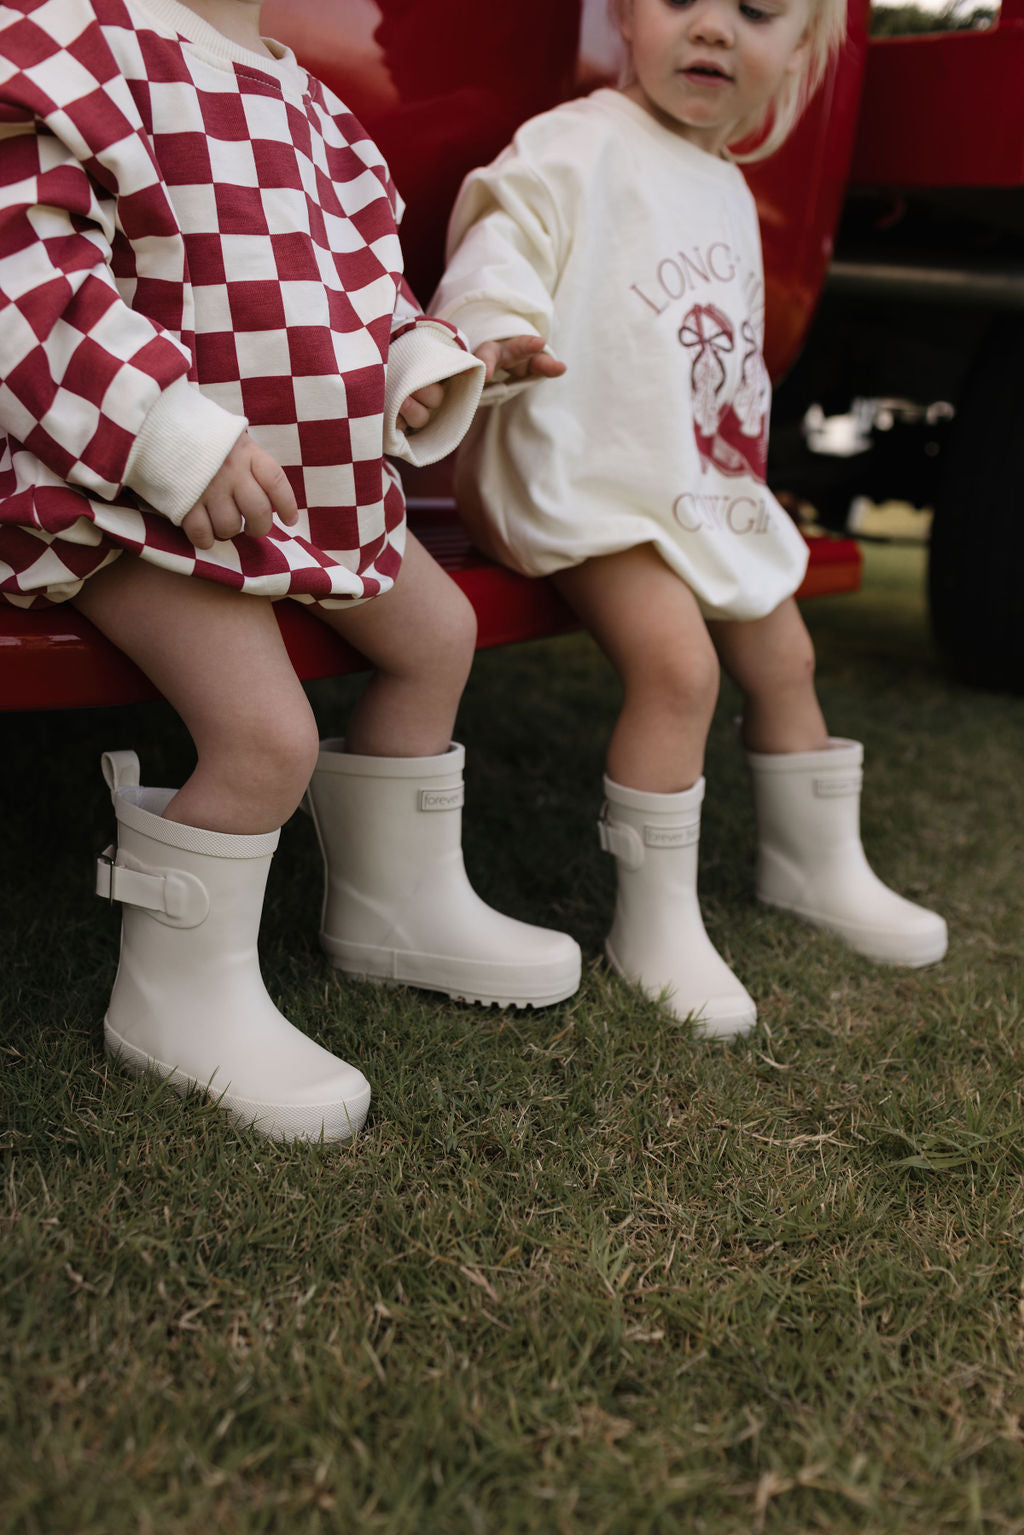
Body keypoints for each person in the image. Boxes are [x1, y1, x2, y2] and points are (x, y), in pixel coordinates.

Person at [0, 0, 581, 1142]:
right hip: (112, 480)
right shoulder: (70, 37)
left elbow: (356, 290)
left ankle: (394, 901)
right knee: (267, 735)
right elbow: (25, 277)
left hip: (297, 483)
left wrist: (425, 364)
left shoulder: (313, 101)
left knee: (439, 635)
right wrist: (164, 432)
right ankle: (175, 991)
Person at [431, 0, 947, 1040]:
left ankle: (812, 866)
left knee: (785, 652)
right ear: (622, 12)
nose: (712, 28)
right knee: (680, 667)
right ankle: (655, 920)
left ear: (800, 51)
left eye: (756, 11)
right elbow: (500, 243)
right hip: (579, 470)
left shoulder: (726, 188)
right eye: (680, 1)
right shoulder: (574, 144)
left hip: (679, 477)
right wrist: (491, 330)